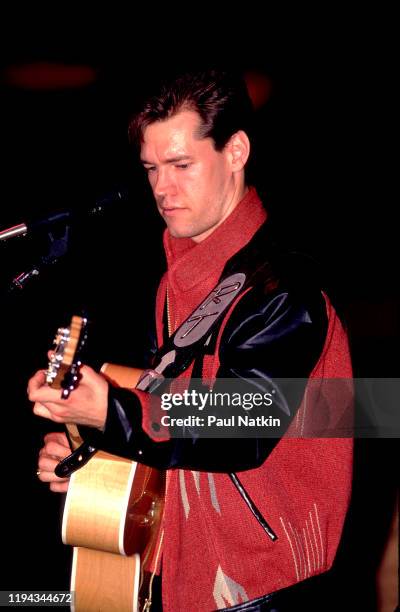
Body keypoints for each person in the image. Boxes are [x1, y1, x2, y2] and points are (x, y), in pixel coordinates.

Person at [28, 69, 353, 611]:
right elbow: (180, 436)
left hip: (264, 589)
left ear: (236, 152)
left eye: (181, 165)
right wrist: (96, 460)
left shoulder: (283, 287)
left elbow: (239, 420)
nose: (161, 187)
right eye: (152, 169)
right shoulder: (180, 278)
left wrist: (113, 415)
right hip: (187, 575)